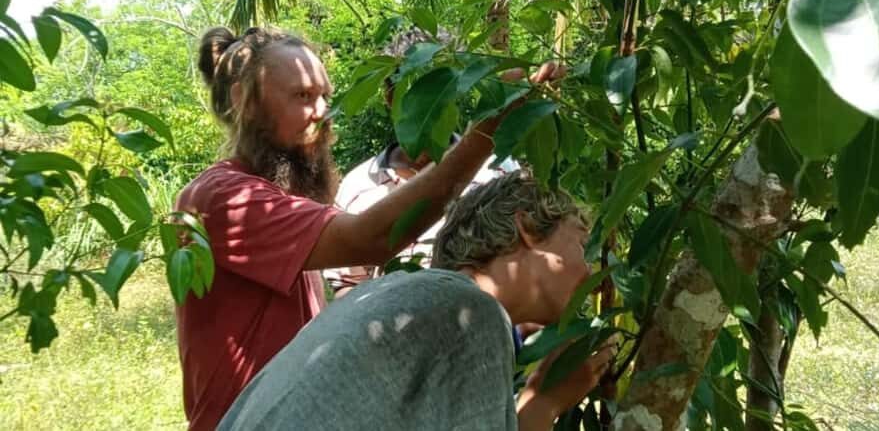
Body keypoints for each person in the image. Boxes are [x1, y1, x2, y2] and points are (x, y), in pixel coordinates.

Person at [175, 26, 562, 430]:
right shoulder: (223, 199)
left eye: (325, 96)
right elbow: (370, 240)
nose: (322, 112)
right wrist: (487, 132)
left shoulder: (284, 197)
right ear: (245, 102)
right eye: (302, 96)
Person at [218, 171, 618, 431]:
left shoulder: (397, 295)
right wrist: (545, 401)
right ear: (528, 228)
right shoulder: (468, 312)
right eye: (581, 242)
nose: (592, 273)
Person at [324, 28, 517, 296]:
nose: (430, 105)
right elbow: (348, 285)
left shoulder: (496, 172)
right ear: (391, 99)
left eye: (440, 89)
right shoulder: (358, 186)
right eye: (415, 94)